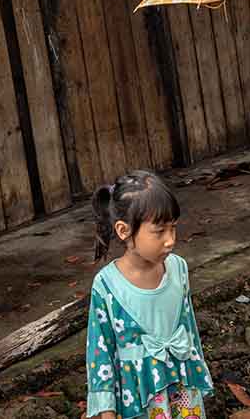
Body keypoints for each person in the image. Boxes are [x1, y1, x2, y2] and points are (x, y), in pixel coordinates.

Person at [85, 170, 214, 419]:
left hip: (184, 393)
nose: (170, 241)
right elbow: (100, 356)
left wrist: (200, 374)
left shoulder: (178, 269)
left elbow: (189, 331)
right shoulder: (107, 285)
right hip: (139, 401)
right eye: (159, 231)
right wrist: (107, 412)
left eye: (173, 228)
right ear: (124, 231)